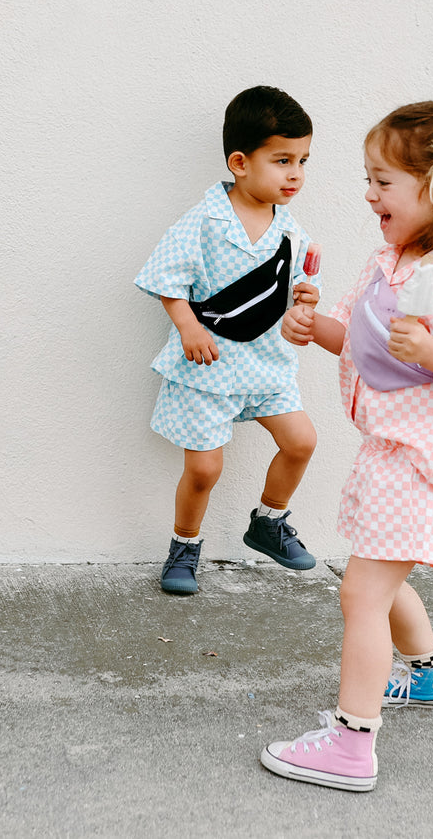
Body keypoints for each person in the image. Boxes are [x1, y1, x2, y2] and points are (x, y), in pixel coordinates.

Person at [263, 95, 433, 791]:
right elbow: (360, 339)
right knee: (380, 576)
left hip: (422, 464)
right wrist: (312, 326)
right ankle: (430, 675)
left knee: (362, 593)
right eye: (367, 177)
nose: (368, 192)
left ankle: (350, 743)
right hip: (388, 455)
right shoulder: (392, 260)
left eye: (382, 181)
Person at [135, 86, 321, 595]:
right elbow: (165, 279)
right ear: (240, 162)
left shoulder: (292, 230)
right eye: (282, 160)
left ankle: (269, 522)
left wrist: (305, 299)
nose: (295, 174)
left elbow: (292, 293)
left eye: (303, 160)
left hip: (265, 363)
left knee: (301, 440)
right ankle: (184, 548)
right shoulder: (204, 220)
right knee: (204, 468)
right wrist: (188, 327)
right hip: (209, 362)